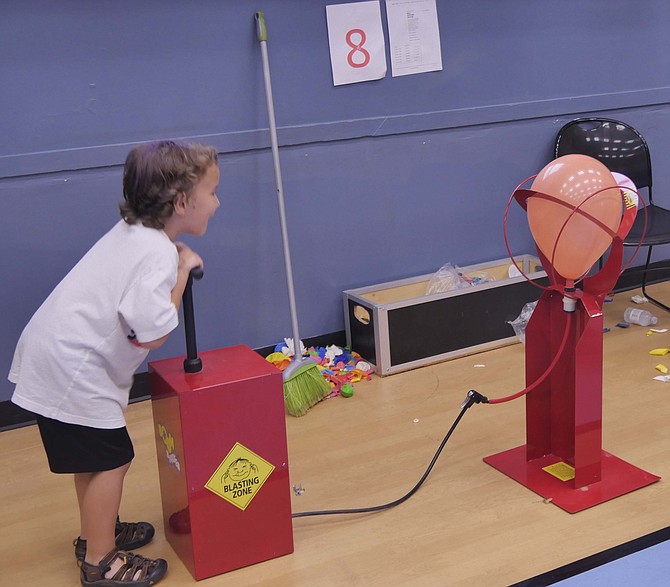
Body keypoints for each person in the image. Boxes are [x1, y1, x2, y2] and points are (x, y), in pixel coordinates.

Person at [8, 140, 220, 586]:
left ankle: (96, 532)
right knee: (113, 459)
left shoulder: (131, 232)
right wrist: (182, 271)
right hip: (73, 370)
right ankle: (101, 563)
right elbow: (153, 331)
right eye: (212, 193)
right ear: (182, 202)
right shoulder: (158, 254)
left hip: (52, 359)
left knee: (92, 456)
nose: (217, 203)